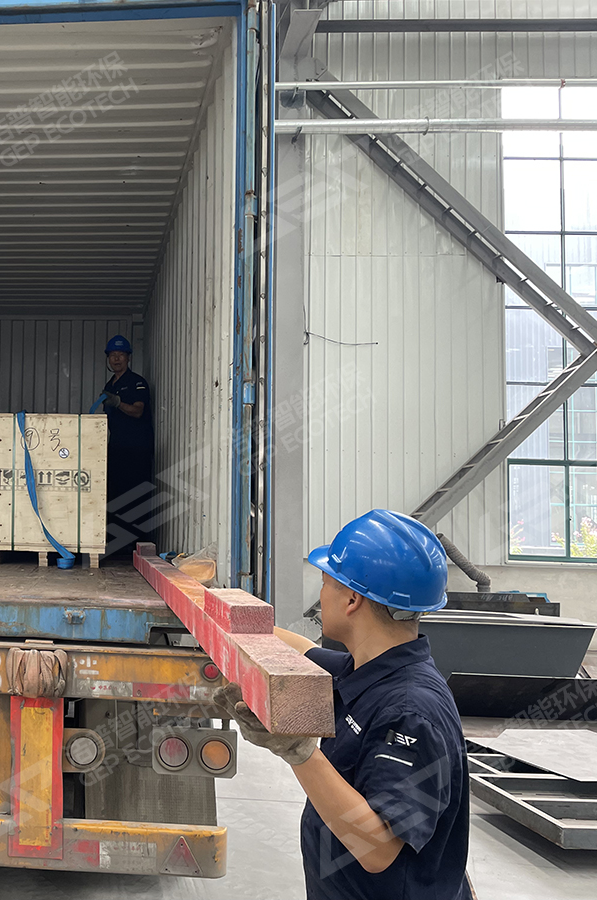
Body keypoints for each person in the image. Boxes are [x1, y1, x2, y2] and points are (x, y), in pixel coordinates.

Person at [216, 510, 470, 900]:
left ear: (352, 599)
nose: (321, 596)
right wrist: (229, 620)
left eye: (325, 583)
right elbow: (303, 651)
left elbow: (378, 848)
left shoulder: (409, 711)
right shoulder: (370, 670)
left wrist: (298, 750)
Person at [100, 335, 153, 548]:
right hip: (117, 448)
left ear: (128, 357)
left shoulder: (136, 382)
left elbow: (138, 411)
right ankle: (117, 544)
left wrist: (118, 402)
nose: (116, 359)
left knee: (135, 495)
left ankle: (136, 544)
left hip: (136, 449)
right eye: (112, 355)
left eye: (120, 355)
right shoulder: (110, 385)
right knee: (115, 494)